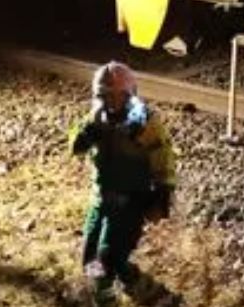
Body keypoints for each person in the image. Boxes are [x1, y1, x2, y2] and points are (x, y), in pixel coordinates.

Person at [71, 61, 176, 305]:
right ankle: (134, 289)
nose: (110, 102)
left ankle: (119, 295)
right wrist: (84, 137)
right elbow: (75, 144)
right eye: (104, 96)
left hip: (130, 202)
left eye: (115, 96)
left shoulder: (143, 122)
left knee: (106, 258)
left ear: (128, 95)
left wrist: (163, 191)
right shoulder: (96, 118)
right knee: (92, 260)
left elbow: (163, 156)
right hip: (101, 200)